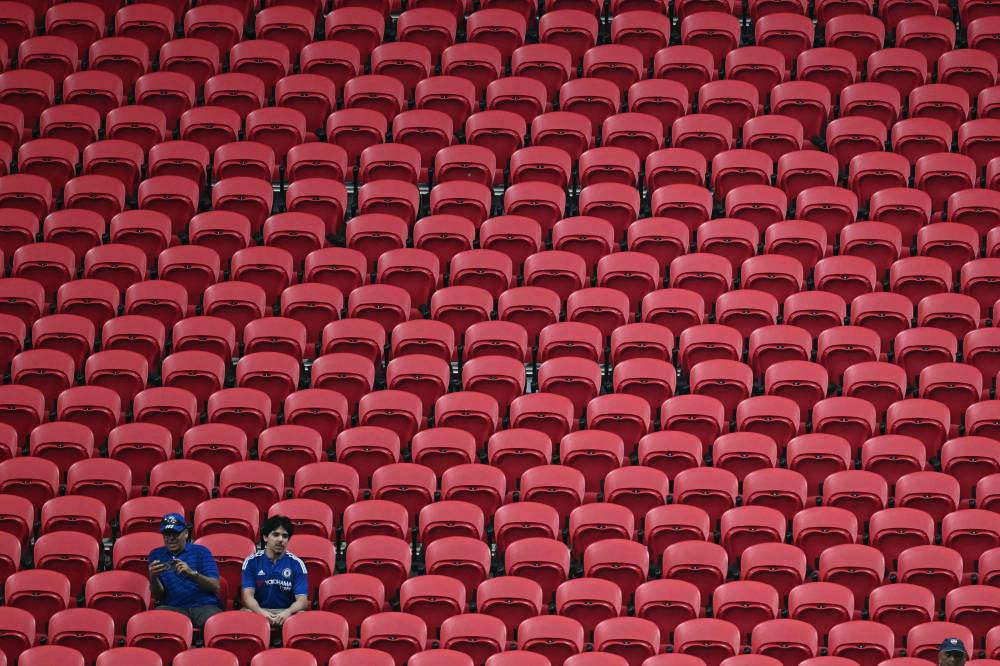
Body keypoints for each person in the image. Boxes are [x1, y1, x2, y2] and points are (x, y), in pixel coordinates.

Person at [148, 512, 223, 628]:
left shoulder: (201, 551)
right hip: (173, 607)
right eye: (167, 535)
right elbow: (158, 595)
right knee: (155, 621)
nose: (171, 538)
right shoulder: (156, 555)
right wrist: (153, 577)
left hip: (204, 606)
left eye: (175, 534)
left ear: (186, 534)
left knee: (217, 624)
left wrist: (193, 574)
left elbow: (215, 586)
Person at [241, 515, 310, 626]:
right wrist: (261, 612)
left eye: (285, 536)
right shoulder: (252, 561)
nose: (280, 539)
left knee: (301, 615)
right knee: (244, 613)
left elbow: (302, 600)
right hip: (259, 610)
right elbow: (247, 596)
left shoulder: (297, 564)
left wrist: (288, 612)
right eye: (275, 534)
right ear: (265, 537)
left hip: (286, 612)